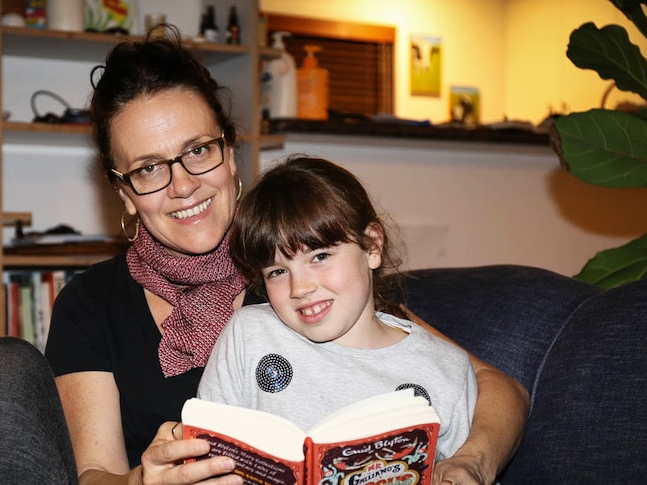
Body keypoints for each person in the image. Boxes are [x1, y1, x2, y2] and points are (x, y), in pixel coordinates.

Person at [0, 27, 529, 485]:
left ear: (230, 154)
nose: (183, 185)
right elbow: (93, 475)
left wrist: (472, 462)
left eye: (198, 150)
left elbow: (482, 381)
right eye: (149, 168)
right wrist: (141, 481)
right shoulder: (92, 303)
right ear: (123, 192)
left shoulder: (305, 276)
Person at [198, 156, 476, 465]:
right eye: (277, 272)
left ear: (371, 247)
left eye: (320, 256)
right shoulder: (249, 335)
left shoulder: (446, 372)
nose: (299, 288)